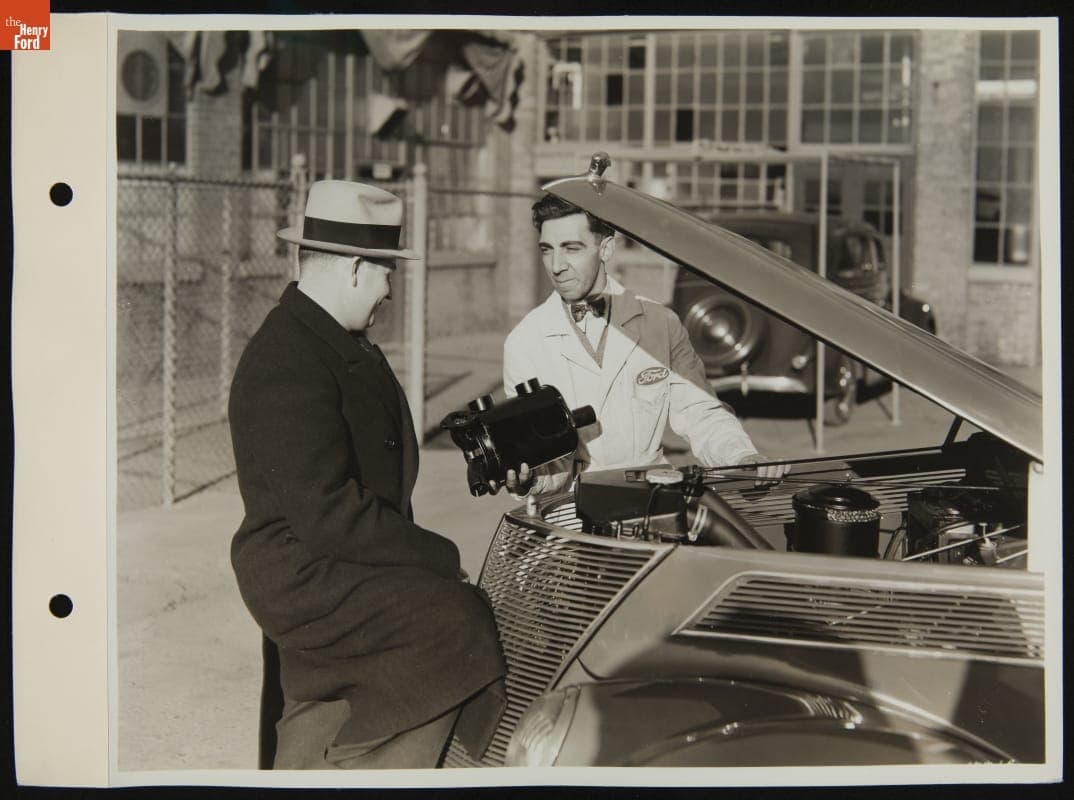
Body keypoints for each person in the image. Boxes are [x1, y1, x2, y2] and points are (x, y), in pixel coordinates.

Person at [228, 180, 505, 770]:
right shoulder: (288, 360)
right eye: (387, 274)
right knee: (458, 622)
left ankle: (331, 757)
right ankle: (369, 771)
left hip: (330, 555)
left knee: (439, 619)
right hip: (305, 571)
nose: (388, 291)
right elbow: (327, 515)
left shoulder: (327, 340)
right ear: (355, 267)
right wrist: (437, 556)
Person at [503, 193, 789, 496]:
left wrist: (741, 457)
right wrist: (529, 478)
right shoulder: (524, 343)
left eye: (571, 249)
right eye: (547, 250)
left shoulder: (661, 323)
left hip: (653, 501)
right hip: (572, 514)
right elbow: (546, 463)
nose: (556, 266)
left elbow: (700, 412)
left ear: (606, 248)